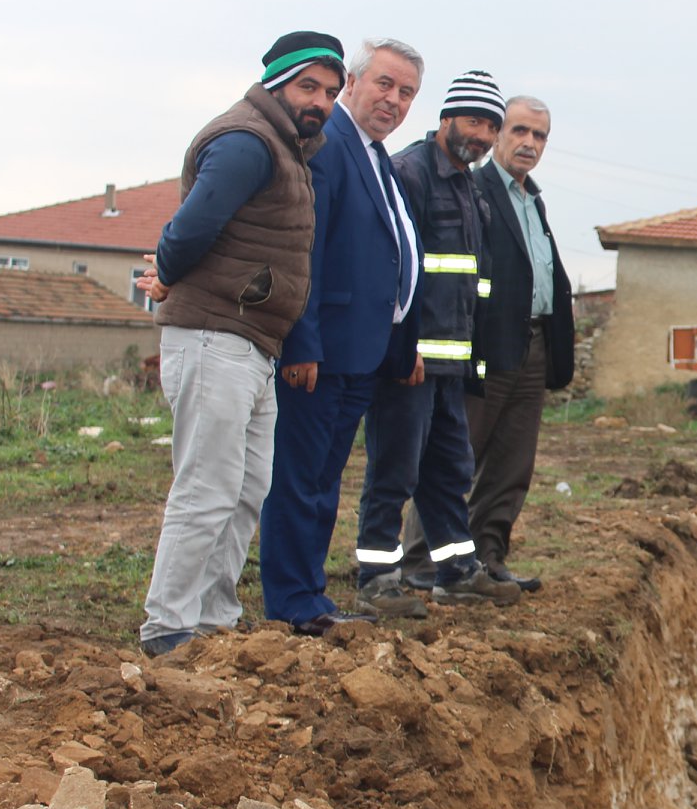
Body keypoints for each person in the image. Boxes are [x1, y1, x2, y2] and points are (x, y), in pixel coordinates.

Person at [135, 32, 346, 657]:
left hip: (254, 342)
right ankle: (168, 627)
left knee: (249, 485)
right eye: (309, 86)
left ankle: (212, 620)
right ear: (278, 83)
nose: (322, 101)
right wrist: (169, 271)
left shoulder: (289, 150)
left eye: (332, 91)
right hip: (213, 333)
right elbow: (192, 224)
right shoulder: (248, 141)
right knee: (207, 485)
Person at [260, 37, 425, 637]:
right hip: (322, 350)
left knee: (325, 480)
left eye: (407, 92)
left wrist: (403, 345)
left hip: (363, 351)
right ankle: (291, 600)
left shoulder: (379, 159)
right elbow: (306, 252)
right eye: (384, 84)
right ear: (352, 84)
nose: (394, 100)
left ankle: (309, 593)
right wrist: (302, 342)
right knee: (301, 480)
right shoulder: (329, 151)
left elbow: (394, 255)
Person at [351, 72, 520, 616]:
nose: (483, 135)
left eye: (492, 127)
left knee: (449, 469)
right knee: (395, 468)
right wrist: (404, 349)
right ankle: (377, 575)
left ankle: (455, 569)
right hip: (411, 361)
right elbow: (394, 268)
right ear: (446, 118)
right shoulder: (410, 173)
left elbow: (470, 280)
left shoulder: (468, 184)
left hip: (452, 363)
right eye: (474, 121)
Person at [405, 96, 573, 592]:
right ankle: (420, 562)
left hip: (533, 344)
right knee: (455, 458)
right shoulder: (473, 188)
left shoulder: (532, 198)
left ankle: (488, 558)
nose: (529, 143)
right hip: (484, 345)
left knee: (511, 464)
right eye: (519, 130)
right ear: (498, 135)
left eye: (539, 135)